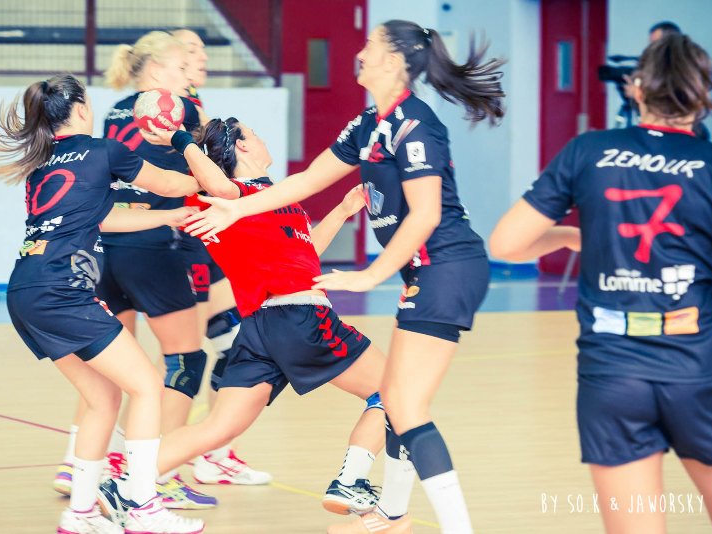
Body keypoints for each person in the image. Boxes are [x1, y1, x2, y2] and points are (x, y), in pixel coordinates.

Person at [183, 19, 504, 534]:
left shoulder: (415, 124)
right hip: (423, 274)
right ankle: (390, 512)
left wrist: (370, 276)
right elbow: (307, 179)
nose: (362, 51)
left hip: (449, 267)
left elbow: (425, 215)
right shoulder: (368, 124)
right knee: (396, 400)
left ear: (395, 61)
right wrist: (235, 210)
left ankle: (442, 522)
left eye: (373, 44)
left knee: (404, 403)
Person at [96, 117, 387, 524]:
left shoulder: (275, 198)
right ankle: (351, 481)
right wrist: (181, 138)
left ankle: (126, 486)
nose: (262, 137)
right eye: (255, 133)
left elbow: (304, 260)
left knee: (220, 427)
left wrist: (340, 212)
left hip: (260, 330)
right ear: (243, 149)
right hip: (301, 318)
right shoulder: (232, 197)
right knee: (394, 390)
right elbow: (218, 186)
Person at [490, 33, 712, 533]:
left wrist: (575, 237)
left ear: (636, 88)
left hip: (612, 371)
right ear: (704, 94)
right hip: (700, 367)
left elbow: (507, 245)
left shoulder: (589, 150)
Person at [0, 74, 207, 534]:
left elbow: (102, 217)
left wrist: (173, 218)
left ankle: (80, 513)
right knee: (147, 385)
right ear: (81, 110)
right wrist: (190, 146)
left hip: (27, 290)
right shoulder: (105, 150)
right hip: (64, 291)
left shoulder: (42, 162)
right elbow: (167, 183)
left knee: (103, 397)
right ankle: (142, 506)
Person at [52, 30, 223, 511]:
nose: (186, 74)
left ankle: (75, 459)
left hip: (108, 246)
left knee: (108, 362)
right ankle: (156, 473)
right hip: (153, 246)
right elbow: (216, 157)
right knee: (186, 360)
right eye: (179, 66)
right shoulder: (179, 108)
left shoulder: (115, 110)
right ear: (156, 71)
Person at [171, 27, 270, 485]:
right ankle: (162, 459)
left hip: (207, 235)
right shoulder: (176, 106)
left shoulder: (192, 103)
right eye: (191, 49)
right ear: (170, 58)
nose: (202, 55)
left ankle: (213, 451)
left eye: (202, 47)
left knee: (228, 343)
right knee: (201, 352)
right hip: (192, 239)